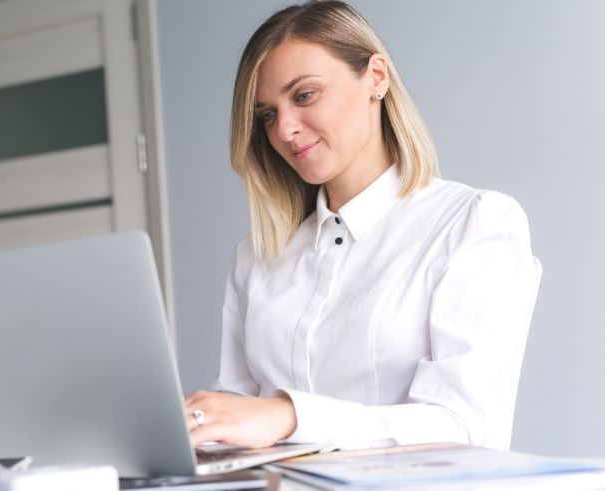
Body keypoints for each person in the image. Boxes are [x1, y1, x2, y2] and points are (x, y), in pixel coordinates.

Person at [183, 0, 542, 451]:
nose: (284, 130)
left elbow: (463, 423)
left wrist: (290, 416)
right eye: (267, 114)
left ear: (376, 77)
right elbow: (236, 415)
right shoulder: (257, 257)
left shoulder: (474, 223)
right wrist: (191, 429)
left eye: (304, 95)